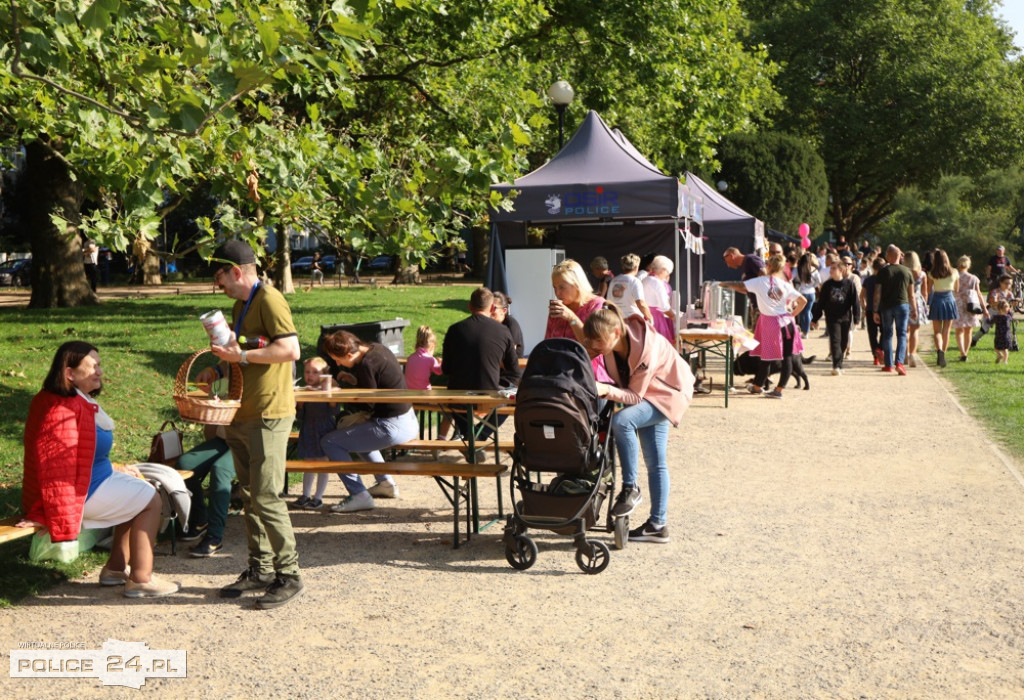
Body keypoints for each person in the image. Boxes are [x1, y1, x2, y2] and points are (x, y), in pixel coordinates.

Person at [19, 342, 179, 597]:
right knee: (151, 499)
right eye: (92, 366)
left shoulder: (75, 399)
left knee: (139, 491)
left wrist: (115, 468)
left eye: (99, 365)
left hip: (91, 481)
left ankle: (115, 570)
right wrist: (43, 511)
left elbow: (84, 452)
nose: (99, 371)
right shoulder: (61, 409)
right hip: (80, 493)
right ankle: (141, 579)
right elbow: (54, 468)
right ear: (69, 373)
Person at [196, 239, 303, 610]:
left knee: (267, 496)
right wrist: (219, 366)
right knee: (249, 496)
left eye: (220, 276)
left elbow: (291, 350)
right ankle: (258, 569)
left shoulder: (270, 299)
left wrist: (240, 353)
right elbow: (239, 355)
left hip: (270, 414)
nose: (218, 284)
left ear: (237, 271)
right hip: (242, 413)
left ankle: (289, 574)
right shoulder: (240, 305)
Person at [584, 305, 694, 543]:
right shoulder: (612, 341)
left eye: (598, 341)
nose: (594, 346)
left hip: (669, 393)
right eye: (591, 341)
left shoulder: (646, 348)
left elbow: (633, 396)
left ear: (615, 332)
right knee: (656, 461)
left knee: (623, 422)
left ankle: (630, 487)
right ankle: (658, 525)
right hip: (650, 392)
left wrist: (605, 389)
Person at [320, 330, 417, 511]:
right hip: (408, 420)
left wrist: (338, 390)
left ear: (349, 354)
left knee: (330, 442)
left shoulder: (366, 364)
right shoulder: (377, 349)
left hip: (392, 426)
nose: (338, 363)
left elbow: (367, 403)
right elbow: (375, 387)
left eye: (338, 359)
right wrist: (354, 381)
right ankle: (386, 484)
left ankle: (359, 495)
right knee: (359, 432)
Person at [442, 287, 521, 451]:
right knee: (512, 401)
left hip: (458, 394)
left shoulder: (454, 330)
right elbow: (513, 369)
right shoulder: (503, 331)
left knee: (455, 396)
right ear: (492, 308)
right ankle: (480, 435)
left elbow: (446, 368)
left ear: (470, 306)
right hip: (488, 392)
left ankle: (470, 437)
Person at [719, 255, 807, 398]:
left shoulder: (760, 282)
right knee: (788, 357)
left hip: (772, 324)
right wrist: (792, 314)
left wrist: (724, 283)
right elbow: (803, 301)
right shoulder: (785, 284)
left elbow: (740, 285)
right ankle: (776, 389)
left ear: (769, 266)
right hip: (787, 323)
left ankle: (760, 386)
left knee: (767, 357)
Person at [546, 259, 612, 382]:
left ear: (577, 284)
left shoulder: (596, 305)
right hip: (559, 376)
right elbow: (548, 344)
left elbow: (593, 346)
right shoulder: (559, 308)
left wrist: (571, 318)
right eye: (554, 287)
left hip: (589, 378)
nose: (557, 293)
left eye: (562, 287)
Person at [176, 424, 235, 557]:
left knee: (220, 469)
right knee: (184, 464)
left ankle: (214, 537)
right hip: (223, 440)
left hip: (248, 442)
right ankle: (200, 520)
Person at [289, 357, 339, 511]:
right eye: (307, 372)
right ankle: (305, 495)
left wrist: (328, 394)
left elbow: (334, 411)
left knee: (323, 464)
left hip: (324, 429)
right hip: (308, 429)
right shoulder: (304, 390)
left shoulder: (329, 389)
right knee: (308, 463)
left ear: (324, 374)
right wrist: (301, 401)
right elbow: (300, 415)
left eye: (315, 372)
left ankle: (318, 497)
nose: (310, 375)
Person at [873, 245, 916, 374]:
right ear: (899, 256)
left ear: (890, 256)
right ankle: (899, 363)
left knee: (887, 334)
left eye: (887, 253)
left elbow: (877, 293)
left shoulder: (883, 271)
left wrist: (875, 310)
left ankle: (888, 364)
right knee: (902, 334)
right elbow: (911, 294)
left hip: (886, 307)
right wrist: (914, 309)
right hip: (903, 305)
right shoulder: (907, 271)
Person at [405, 325, 453, 440]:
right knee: (448, 412)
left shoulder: (411, 358)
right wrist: (440, 362)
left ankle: (408, 437)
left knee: (412, 414)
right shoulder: (430, 359)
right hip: (425, 396)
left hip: (409, 396)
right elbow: (439, 372)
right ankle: (441, 437)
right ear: (432, 346)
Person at [813, 262, 858, 375]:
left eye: (834, 268)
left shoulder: (849, 284)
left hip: (846, 318)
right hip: (832, 318)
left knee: (843, 342)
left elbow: (855, 302)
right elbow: (821, 303)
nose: (831, 271)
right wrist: (815, 318)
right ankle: (836, 366)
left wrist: (857, 317)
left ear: (841, 270)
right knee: (835, 341)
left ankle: (839, 362)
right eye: (830, 268)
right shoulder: (827, 285)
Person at [926, 248, 959, 368]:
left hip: (937, 300)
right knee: (946, 330)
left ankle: (939, 349)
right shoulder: (954, 272)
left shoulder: (931, 273)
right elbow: (957, 289)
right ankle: (943, 354)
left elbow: (929, 290)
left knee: (937, 331)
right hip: (949, 300)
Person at [952, 255, 988, 362]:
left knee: (959, 330)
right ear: (969, 265)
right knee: (968, 331)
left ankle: (962, 352)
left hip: (958, 304)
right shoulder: (973, 278)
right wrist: (984, 308)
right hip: (970, 305)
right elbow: (979, 294)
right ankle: (965, 353)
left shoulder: (954, 276)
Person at [722, 246, 766, 327]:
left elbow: (765, 275)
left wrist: (728, 284)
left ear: (731, 256)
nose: (728, 265)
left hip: (763, 307)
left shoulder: (750, 259)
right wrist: (732, 287)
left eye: (726, 260)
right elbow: (747, 289)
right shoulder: (744, 266)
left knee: (762, 337)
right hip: (756, 307)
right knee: (757, 337)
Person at [607, 253, 653, 323]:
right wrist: (650, 317)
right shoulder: (635, 281)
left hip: (617, 318)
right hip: (632, 320)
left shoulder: (613, 280)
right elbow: (641, 303)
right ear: (636, 267)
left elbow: (609, 301)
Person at [972, 274, 1015, 347]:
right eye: (1006, 283)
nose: (1008, 285)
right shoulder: (995, 291)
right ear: (1001, 283)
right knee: (984, 329)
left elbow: (1011, 305)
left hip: (1003, 314)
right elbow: (992, 302)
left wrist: (1014, 303)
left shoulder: (1010, 294)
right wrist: (1001, 302)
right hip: (992, 312)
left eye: (1010, 283)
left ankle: (1006, 345)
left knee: (1005, 330)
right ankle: (974, 340)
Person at [642, 255, 676, 342]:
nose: (667, 275)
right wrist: (675, 317)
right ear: (663, 270)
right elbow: (664, 306)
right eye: (668, 272)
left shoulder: (645, 279)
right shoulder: (657, 282)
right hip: (655, 319)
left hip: (644, 317)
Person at [904, 251, 929, 368]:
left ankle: (904, 354)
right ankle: (912, 354)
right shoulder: (922, 274)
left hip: (904, 300)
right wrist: (924, 304)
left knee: (904, 330)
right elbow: (925, 292)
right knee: (915, 330)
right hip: (918, 301)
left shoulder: (903, 272)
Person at [860, 257, 887, 365]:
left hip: (870, 309)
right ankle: (880, 349)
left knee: (872, 333)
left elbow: (861, 296)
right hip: (883, 309)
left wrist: (864, 305)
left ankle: (875, 356)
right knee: (884, 332)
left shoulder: (868, 280)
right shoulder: (886, 280)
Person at [491, 291, 525, 362]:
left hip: (511, 367)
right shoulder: (491, 324)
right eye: (489, 307)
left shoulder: (511, 324)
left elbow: (511, 351)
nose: (490, 311)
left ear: (504, 310)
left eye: (494, 308)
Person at [794, 252, 821, 338]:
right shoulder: (815, 270)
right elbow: (819, 281)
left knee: (803, 312)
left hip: (802, 293)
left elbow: (792, 278)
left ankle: (805, 331)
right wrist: (813, 286)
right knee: (808, 311)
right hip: (811, 293)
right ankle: (809, 326)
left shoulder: (798, 269)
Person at [993, 300, 1013, 364]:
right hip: (1006, 336)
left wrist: (987, 319)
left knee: (996, 348)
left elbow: (990, 322)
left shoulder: (996, 317)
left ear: (998, 309)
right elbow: (1011, 316)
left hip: (998, 335)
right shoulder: (1007, 317)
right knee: (1005, 350)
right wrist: (1009, 311)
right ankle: (1005, 361)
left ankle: (999, 354)